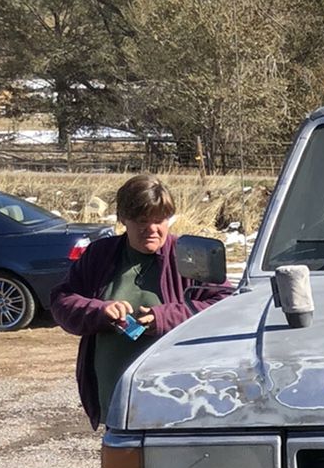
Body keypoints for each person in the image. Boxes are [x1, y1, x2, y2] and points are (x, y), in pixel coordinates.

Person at [51, 173, 235, 428]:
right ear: (123, 219)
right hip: (116, 395)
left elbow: (224, 304)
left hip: (179, 395)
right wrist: (100, 311)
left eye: (159, 220)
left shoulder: (189, 255)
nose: (151, 229)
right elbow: (62, 300)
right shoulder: (100, 255)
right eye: (141, 220)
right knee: (124, 465)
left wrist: (164, 318)